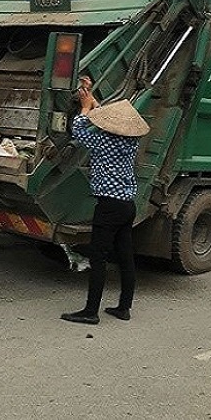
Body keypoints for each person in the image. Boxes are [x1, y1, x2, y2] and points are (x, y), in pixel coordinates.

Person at [61, 80, 149, 325]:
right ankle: (124, 307)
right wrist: (92, 100)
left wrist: (85, 107)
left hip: (108, 207)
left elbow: (78, 128)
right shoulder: (130, 142)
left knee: (98, 257)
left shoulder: (102, 142)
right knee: (125, 256)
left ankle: (91, 312)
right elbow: (105, 122)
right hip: (126, 205)